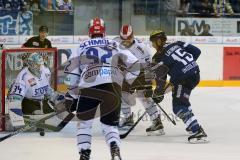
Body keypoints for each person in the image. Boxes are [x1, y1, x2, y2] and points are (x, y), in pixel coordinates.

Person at [64, 18, 139, 160]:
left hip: (89, 86)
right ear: (104, 31)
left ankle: (84, 154)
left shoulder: (80, 47)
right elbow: (134, 63)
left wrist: (71, 96)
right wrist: (127, 83)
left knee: (84, 124)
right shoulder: (115, 44)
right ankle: (114, 148)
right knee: (109, 125)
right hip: (112, 86)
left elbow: (72, 74)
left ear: (89, 31)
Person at [149, 29, 208, 143]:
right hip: (195, 74)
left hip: (183, 80)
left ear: (159, 41)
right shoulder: (177, 43)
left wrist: (158, 93)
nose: (152, 45)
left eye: (153, 42)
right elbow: (197, 51)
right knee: (183, 100)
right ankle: (191, 124)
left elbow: (161, 79)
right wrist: (187, 65)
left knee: (178, 106)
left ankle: (197, 131)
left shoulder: (157, 58)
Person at [115, 24, 165, 136]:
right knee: (121, 94)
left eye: (128, 38)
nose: (125, 41)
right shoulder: (115, 43)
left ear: (132, 35)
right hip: (124, 76)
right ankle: (128, 118)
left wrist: (148, 85)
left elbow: (149, 67)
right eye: (123, 38)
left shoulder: (142, 48)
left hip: (140, 75)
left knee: (144, 96)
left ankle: (156, 121)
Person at [7, 52, 65, 135]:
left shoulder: (45, 70)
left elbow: (47, 88)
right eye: (37, 64)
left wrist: (56, 98)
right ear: (30, 64)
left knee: (54, 116)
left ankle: (39, 119)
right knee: (38, 114)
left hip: (42, 102)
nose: (39, 66)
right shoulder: (23, 76)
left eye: (40, 64)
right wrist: (17, 120)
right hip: (28, 103)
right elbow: (14, 99)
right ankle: (33, 118)